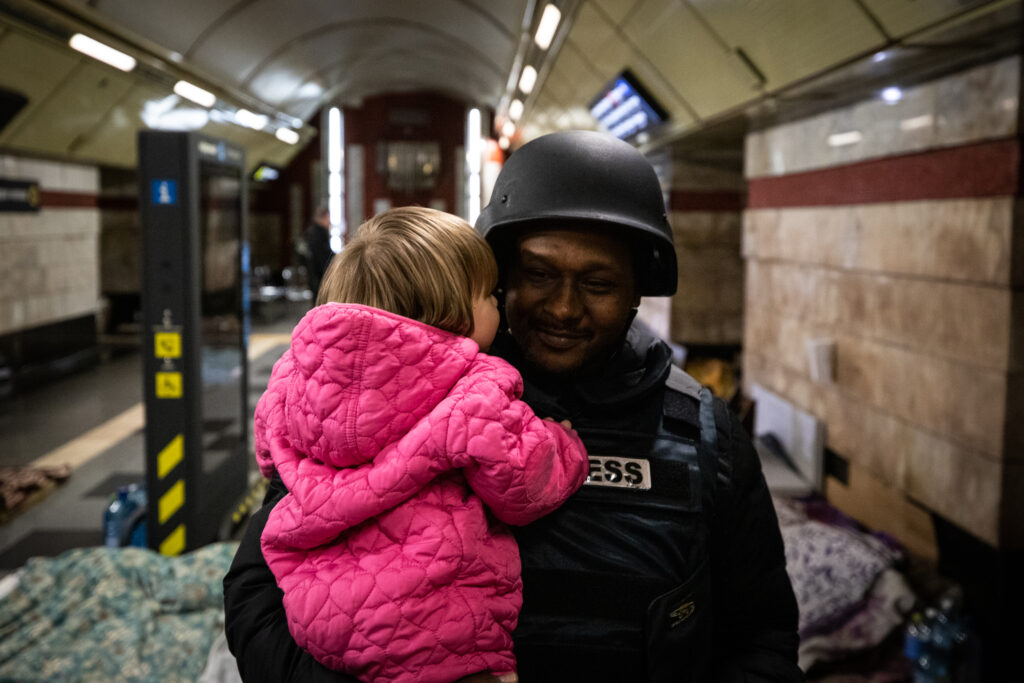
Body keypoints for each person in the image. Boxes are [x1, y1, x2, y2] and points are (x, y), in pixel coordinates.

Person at [224, 131, 803, 682]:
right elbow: (255, 595)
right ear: (499, 278)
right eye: (539, 274)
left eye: (598, 284)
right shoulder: (394, 399)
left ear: (636, 292)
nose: (564, 308)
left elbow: (762, 639)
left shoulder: (701, 432)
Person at [250, 207, 588, 682]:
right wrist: (564, 443)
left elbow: (269, 456)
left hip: (316, 614)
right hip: (437, 627)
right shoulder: (475, 386)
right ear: (453, 314)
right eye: (488, 296)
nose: (498, 308)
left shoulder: (291, 379)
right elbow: (524, 483)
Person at [297, 204, 334, 300]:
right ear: (322, 218)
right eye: (328, 218)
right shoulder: (317, 234)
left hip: (315, 275)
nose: (329, 222)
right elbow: (322, 257)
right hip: (318, 276)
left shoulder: (313, 232)